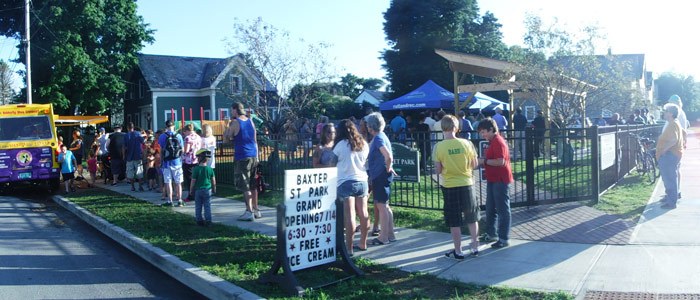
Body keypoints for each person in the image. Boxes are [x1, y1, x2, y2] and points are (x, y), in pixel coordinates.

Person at [434, 115, 480, 259]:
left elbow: (438, 170)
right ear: (457, 127)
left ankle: (458, 250)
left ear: (442, 128)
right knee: (472, 217)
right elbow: (474, 164)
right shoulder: (467, 143)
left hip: (449, 185)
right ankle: (474, 247)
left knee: (454, 220)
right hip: (467, 183)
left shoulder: (438, 147)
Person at [333, 119, 370, 255]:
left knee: (350, 216)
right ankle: (363, 243)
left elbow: (333, 161)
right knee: (364, 213)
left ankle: (349, 248)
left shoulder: (340, 145)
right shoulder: (363, 144)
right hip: (362, 180)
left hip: (345, 181)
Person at [477, 118, 513, 249]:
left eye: (484, 132)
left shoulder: (498, 142)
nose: (483, 135)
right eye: (481, 133)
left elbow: (500, 161)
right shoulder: (492, 141)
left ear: (491, 129)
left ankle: (503, 238)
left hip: (501, 180)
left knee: (503, 210)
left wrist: (483, 161)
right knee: (490, 207)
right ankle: (491, 233)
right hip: (493, 179)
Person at [365, 112, 396, 245]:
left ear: (371, 126)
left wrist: (388, 166)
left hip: (380, 175)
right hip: (382, 174)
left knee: (381, 206)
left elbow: (388, 155)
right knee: (386, 206)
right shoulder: (382, 136)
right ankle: (390, 234)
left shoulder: (378, 138)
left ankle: (383, 237)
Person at [228, 102, 261, 221]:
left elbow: (227, 137)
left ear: (235, 110)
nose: (231, 112)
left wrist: (228, 126)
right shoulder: (250, 121)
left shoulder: (236, 122)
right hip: (253, 155)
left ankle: (249, 211)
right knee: (253, 185)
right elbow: (255, 139)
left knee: (245, 185)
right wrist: (257, 156)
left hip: (242, 157)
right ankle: (256, 209)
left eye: (232, 110)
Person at [657, 103, 685, 209]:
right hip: (673, 154)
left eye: (666, 111)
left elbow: (674, 139)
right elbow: (683, 133)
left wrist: (664, 150)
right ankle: (671, 199)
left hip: (670, 155)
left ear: (671, 114)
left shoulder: (673, 124)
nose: (664, 113)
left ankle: (671, 202)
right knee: (671, 178)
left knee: (670, 179)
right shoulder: (674, 123)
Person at [667, 95, 689, 200]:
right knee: (675, 169)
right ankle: (675, 191)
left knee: (672, 170)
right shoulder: (681, 112)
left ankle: (673, 194)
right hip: (677, 144)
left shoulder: (677, 113)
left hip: (673, 145)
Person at [159, 120, 185, 207]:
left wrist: (161, 161)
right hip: (177, 162)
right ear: (174, 126)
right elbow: (182, 149)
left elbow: (161, 150)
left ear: (166, 126)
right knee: (178, 182)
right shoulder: (179, 136)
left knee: (168, 182)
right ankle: (180, 200)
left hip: (166, 163)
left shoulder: (162, 136)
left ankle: (170, 201)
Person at [190, 149, 216, 226]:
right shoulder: (210, 169)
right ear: (207, 160)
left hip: (198, 190)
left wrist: (191, 190)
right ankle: (208, 221)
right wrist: (214, 189)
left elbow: (193, 181)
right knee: (207, 205)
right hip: (208, 190)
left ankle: (199, 220)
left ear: (199, 159)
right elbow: (213, 181)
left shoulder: (196, 169)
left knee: (198, 206)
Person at [182, 123, 202, 202]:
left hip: (188, 160)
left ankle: (191, 195)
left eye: (184, 131)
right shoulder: (198, 137)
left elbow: (186, 150)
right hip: (196, 159)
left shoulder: (188, 138)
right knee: (196, 178)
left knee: (189, 178)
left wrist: (181, 151)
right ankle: (197, 194)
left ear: (187, 131)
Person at [125, 122, 145, 192]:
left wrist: (124, 155)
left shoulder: (126, 135)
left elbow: (124, 147)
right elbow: (143, 142)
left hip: (129, 157)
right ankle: (140, 186)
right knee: (139, 172)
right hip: (138, 156)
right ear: (133, 127)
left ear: (128, 128)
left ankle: (132, 187)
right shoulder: (138, 134)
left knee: (130, 173)